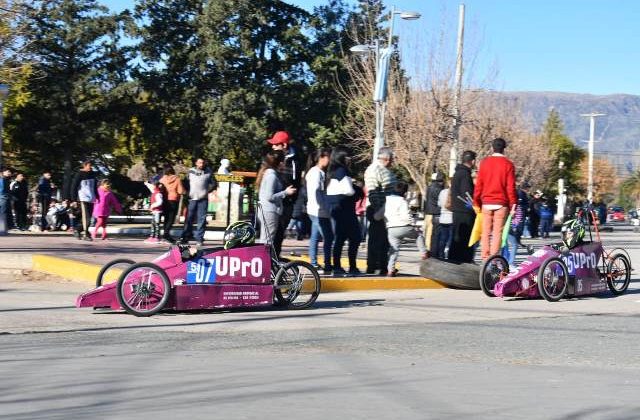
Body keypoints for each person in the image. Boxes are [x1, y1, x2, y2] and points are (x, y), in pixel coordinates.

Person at [473, 138, 517, 261]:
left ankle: (485, 257)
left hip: (486, 203)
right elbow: (511, 187)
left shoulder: (484, 163)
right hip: (501, 203)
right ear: (504, 148)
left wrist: (476, 202)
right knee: (498, 232)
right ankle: (493, 258)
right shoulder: (508, 164)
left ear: (492, 147)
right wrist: (513, 204)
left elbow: (479, 185)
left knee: (485, 232)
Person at [375, 182, 427, 276]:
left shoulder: (387, 201)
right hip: (404, 226)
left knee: (393, 250)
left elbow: (378, 216)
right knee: (419, 235)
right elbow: (406, 217)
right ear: (404, 192)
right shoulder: (402, 201)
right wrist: (414, 225)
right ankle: (424, 253)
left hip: (391, 230)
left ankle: (390, 270)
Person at [326, 146, 363, 277]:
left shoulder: (331, 171)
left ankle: (337, 266)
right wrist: (356, 188)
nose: (350, 159)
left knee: (340, 239)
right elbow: (349, 190)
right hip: (345, 209)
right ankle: (352, 266)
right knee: (355, 238)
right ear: (341, 157)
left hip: (336, 209)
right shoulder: (342, 171)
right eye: (348, 156)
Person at [256, 150, 296, 255]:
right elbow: (269, 196)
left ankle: (264, 264)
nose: (284, 163)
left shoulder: (268, 173)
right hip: (270, 211)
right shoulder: (272, 176)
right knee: (267, 241)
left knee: (266, 239)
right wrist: (285, 192)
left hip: (266, 210)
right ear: (280, 162)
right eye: (283, 161)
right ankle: (264, 266)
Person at [364, 147, 396, 274]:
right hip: (379, 210)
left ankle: (382, 264)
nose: (393, 162)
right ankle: (374, 265)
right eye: (392, 159)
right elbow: (372, 191)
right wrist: (379, 210)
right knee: (377, 239)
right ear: (386, 159)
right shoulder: (374, 170)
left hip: (385, 209)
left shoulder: (384, 170)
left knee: (384, 240)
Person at [267, 131, 301, 251]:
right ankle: (267, 262)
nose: (273, 147)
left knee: (278, 234)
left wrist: (289, 199)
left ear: (284, 145)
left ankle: (273, 263)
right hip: (271, 203)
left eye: (276, 144)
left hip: (285, 204)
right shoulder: (271, 159)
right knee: (268, 236)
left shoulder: (294, 162)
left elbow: (295, 184)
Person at [305, 147, 334, 273]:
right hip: (318, 210)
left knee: (315, 237)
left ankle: (314, 263)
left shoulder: (318, 172)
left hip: (317, 210)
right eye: (328, 157)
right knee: (328, 237)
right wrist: (323, 206)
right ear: (321, 158)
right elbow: (316, 192)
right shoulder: (315, 173)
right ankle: (327, 264)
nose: (330, 160)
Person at [179, 157, 216, 247]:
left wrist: (207, 191)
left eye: (202, 163)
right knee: (189, 219)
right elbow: (185, 183)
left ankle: (199, 239)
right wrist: (187, 193)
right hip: (192, 199)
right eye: (199, 163)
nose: (201, 164)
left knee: (202, 220)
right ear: (196, 163)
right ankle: (185, 238)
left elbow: (214, 184)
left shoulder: (209, 172)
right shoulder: (190, 171)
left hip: (203, 199)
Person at [449, 150, 477, 263]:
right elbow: (467, 194)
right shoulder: (465, 174)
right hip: (465, 212)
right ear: (473, 161)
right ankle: (464, 261)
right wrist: (474, 206)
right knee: (465, 239)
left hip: (456, 210)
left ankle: (453, 259)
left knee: (456, 237)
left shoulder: (457, 173)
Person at [70, 161, 99, 241]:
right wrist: (74, 199)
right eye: (89, 166)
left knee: (89, 218)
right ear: (85, 166)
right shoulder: (79, 174)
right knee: (86, 217)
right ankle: (86, 234)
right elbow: (74, 187)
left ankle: (78, 230)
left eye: (91, 165)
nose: (91, 167)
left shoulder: (92, 174)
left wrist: (97, 196)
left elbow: (95, 187)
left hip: (91, 198)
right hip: (83, 198)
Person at [159, 167, 184, 243]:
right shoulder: (177, 179)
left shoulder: (162, 180)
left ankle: (164, 235)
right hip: (173, 200)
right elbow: (180, 191)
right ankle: (166, 235)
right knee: (171, 219)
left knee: (166, 218)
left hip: (165, 199)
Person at [423, 172, 444, 256]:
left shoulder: (429, 187)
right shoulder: (439, 189)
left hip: (428, 212)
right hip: (434, 212)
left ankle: (427, 249)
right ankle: (429, 250)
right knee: (431, 233)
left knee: (427, 232)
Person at [433, 182, 453, 259]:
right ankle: (448, 254)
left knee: (443, 238)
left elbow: (439, 204)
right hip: (452, 217)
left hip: (443, 218)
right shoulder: (455, 192)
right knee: (450, 239)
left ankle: (441, 254)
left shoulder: (442, 192)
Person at [0, 167, 12, 233]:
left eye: (9, 172)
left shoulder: (6, 179)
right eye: (8, 171)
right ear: (3, 172)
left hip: (5, 197)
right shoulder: (2, 179)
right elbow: (2, 190)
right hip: (3, 198)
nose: (9, 173)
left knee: (5, 214)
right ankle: (2, 230)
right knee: (3, 214)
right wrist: (6, 196)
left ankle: (4, 229)